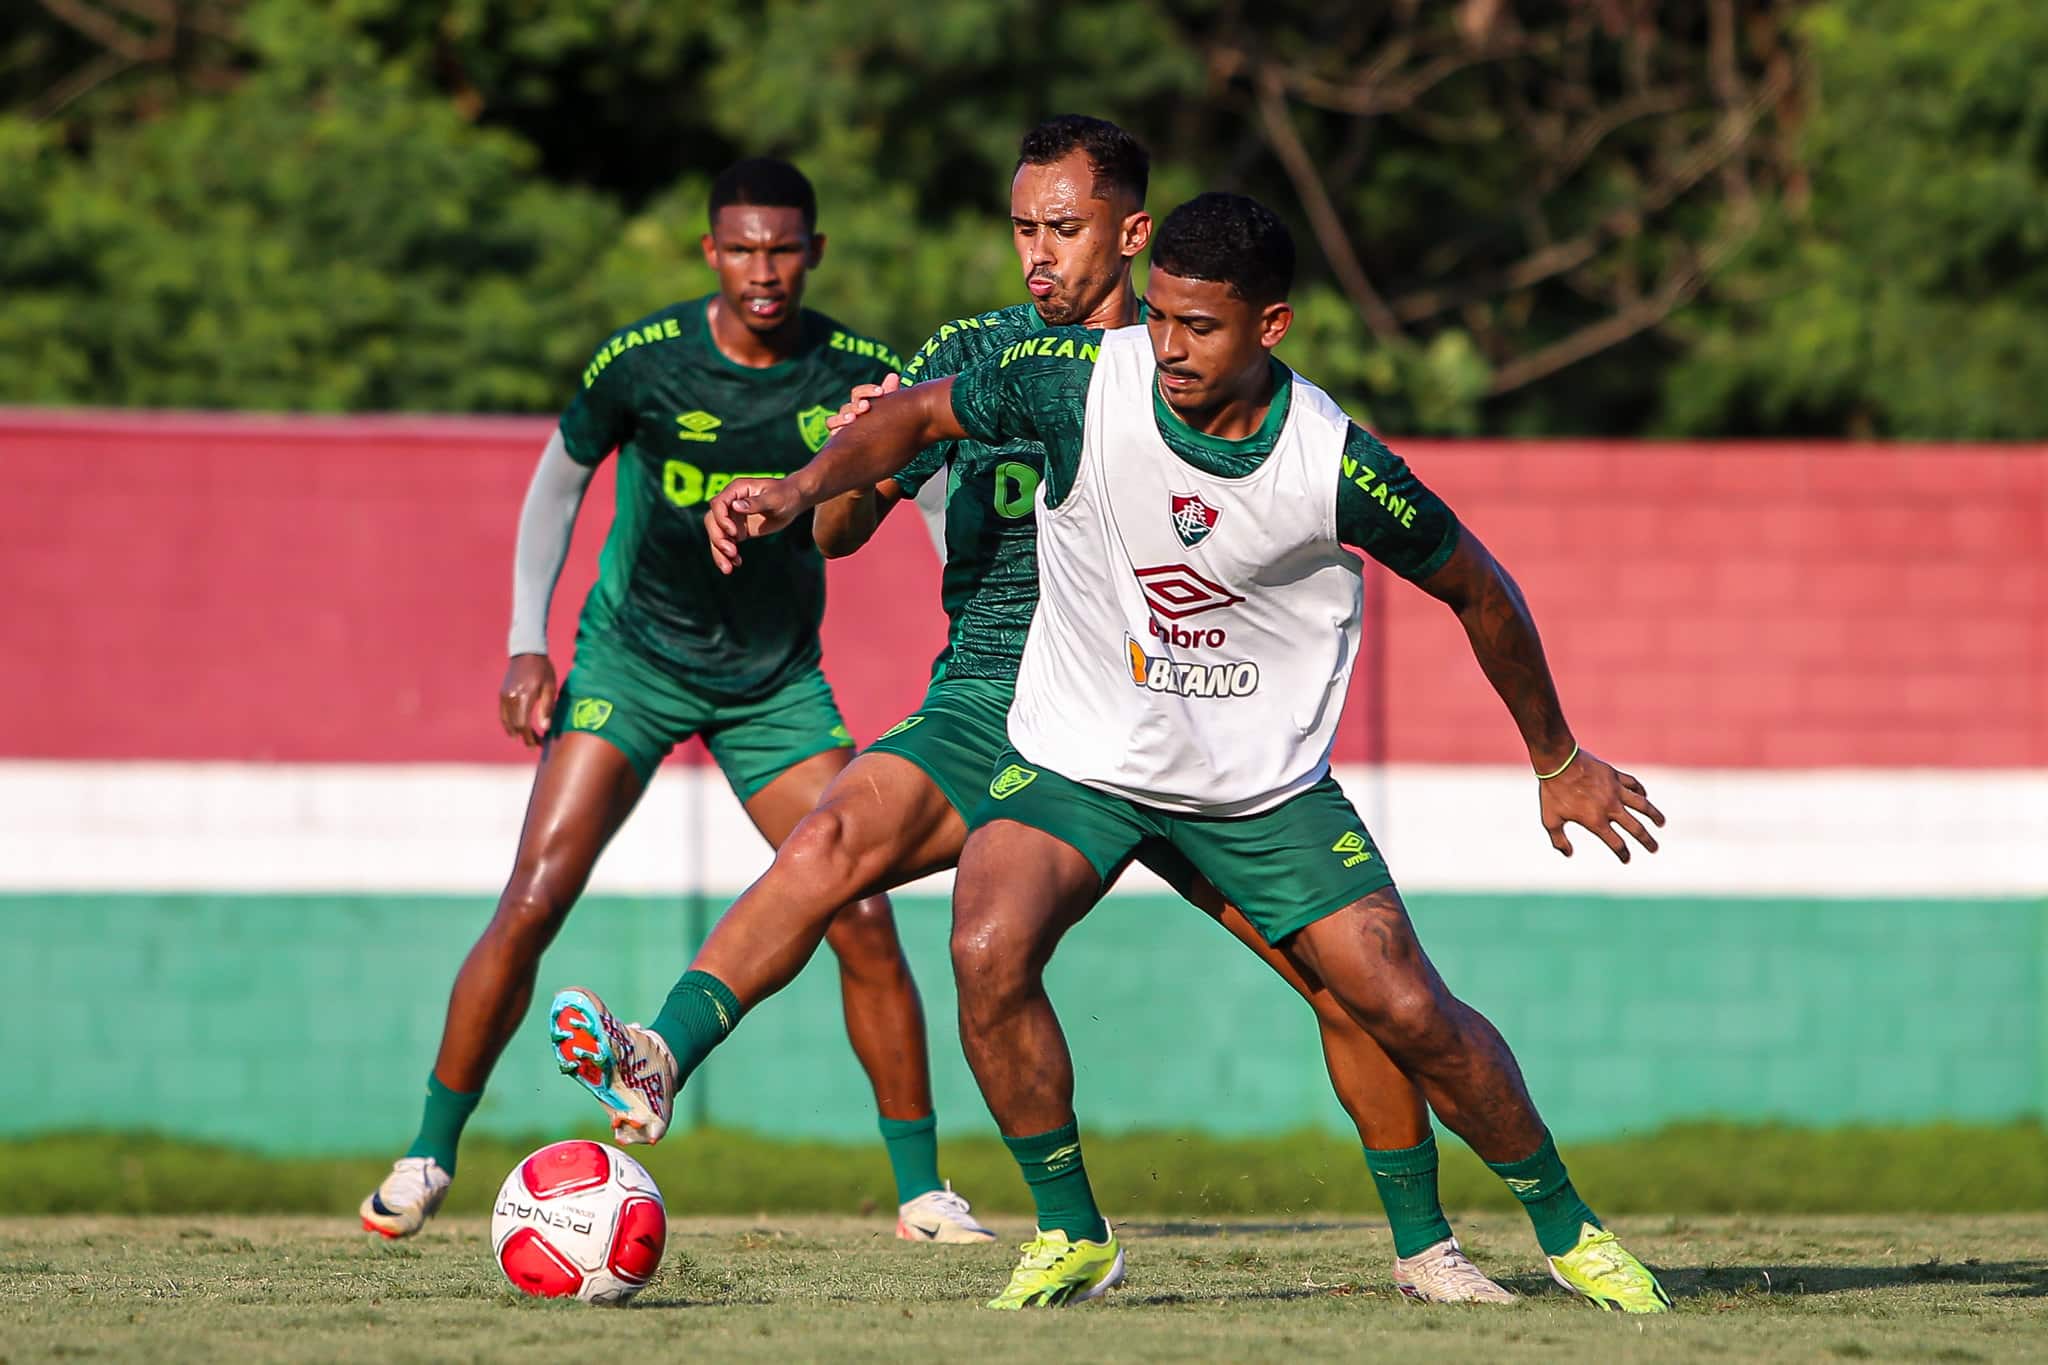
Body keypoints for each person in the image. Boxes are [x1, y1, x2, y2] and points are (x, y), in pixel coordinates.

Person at [546, 119, 1509, 1308]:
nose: (1037, 254)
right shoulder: (976, 352)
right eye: (1021, 229)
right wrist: (839, 460)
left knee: (1341, 983)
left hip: (1174, 710)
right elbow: (843, 530)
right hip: (995, 687)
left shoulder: (1196, 364)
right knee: (835, 836)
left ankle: (1425, 1248)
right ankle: (661, 1055)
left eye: (1062, 228)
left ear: (1132, 232)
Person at [692, 191, 1675, 1314]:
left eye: (1199, 327)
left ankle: (1565, 1229)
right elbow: (915, 417)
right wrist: (798, 489)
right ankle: (1069, 1233)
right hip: (1080, 755)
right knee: (986, 946)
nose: (1166, 346)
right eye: (1157, 315)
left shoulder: (1334, 464)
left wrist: (1557, 758)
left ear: (1270, 326)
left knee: (1399, 1004)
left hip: (1252, 787)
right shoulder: (1077, 381)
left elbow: (1479, 589)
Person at [359, 157, 991, 1246]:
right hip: (631, 664)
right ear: (711, 253)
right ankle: (426, 1154)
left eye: (782, 250)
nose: (763, 271)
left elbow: (929, 490)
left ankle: (921, 1192)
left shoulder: (857, 375)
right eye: (742, 250)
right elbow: (559, 481)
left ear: (814, 252)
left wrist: (970, 626)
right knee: (536, 895)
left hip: (774, 685)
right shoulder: (643, 361)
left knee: (860, 911)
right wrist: (525, 642)